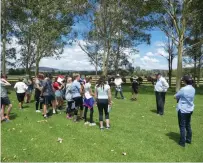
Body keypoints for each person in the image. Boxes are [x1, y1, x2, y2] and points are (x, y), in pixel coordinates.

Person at [174, 75, 195, 147]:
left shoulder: (183, 89)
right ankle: (188, 139)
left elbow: (175, 96)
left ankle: (182, 142)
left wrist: (177, 94)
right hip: (190, 109)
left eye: (183, 80)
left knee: (182, 126)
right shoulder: (193, 88)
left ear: (185, 81)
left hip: (183, 109)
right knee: (188, 124)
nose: (182, 82)